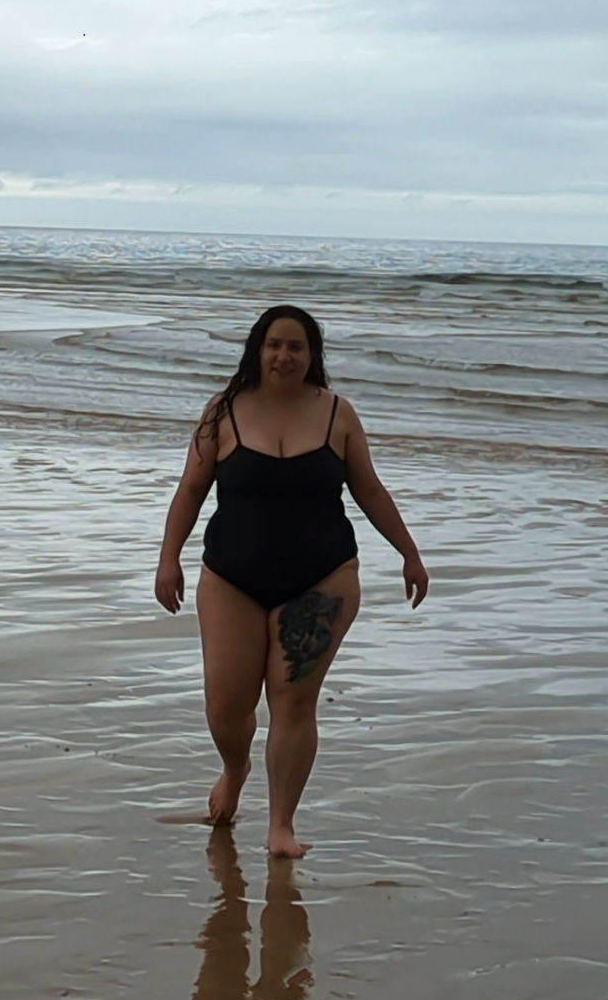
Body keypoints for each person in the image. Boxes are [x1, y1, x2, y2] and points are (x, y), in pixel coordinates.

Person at [155, 305, 429, 858]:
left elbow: (370, 490)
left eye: (297, 347)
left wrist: (410, 554)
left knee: (294, 700)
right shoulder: (223, 412)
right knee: (227, 706)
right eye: (274, 345)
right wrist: (168, 559)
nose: (284, 356)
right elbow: (190, 490)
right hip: (232, 577)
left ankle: (281, 825)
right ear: (257, 351)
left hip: (321, 578)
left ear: (313, 356)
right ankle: (235, 769)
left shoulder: (338, 416)